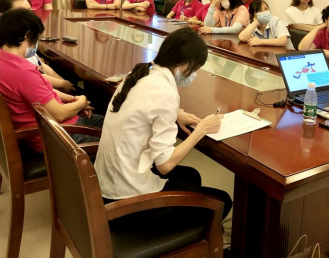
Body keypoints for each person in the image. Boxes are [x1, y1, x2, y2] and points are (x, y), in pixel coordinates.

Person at [94, 28, 232, 218]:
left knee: (190, 176)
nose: (194, 74)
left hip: (106, 184)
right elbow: (164, 165)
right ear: (184, 63)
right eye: (195, 69)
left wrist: (175, 114)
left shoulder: (139, 74)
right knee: (222, 200)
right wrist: (201, 130)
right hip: (126, 201)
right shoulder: (165, 92)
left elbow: (142, 109)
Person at [0, 9, 104, 153]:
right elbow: (60, 114)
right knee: (118, 136)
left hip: (51, 127)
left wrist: (73, 100)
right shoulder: (23, 72)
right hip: (56, 136)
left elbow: (41, 92)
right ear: (27, 36)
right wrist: (81, 102)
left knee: (109, 123)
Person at [0, 0, 74, 92]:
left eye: (29, 11)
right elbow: (30, 78)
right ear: (4, 16)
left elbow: (40, 65)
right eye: (22, 12)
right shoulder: (3, 48)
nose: (29, 16)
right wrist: (63, 85)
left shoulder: (20, 38)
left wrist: (65, 83)